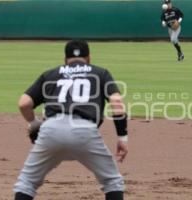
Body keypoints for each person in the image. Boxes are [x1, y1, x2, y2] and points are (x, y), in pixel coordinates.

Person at [13, 40, 128, 200]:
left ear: (65, 59)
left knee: (27, 182)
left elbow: (24, 103)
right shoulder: (101, 73)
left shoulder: (51, 74)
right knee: (112, 182)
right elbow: (117, 103)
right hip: (85, 131)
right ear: (89, 57)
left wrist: (34, 124)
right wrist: (122, 137)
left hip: (51, 130)